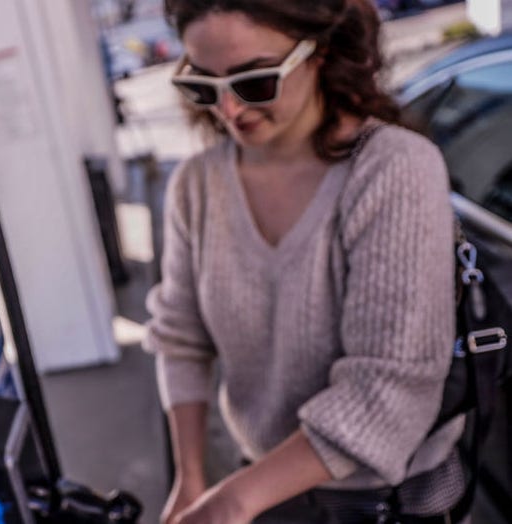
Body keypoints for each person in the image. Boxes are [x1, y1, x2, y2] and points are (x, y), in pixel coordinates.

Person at [142, 1, 466, 522]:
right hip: (264, 486)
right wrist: (192, 477)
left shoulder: (393, 170)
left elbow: (387, 392)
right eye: (203, 86)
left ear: (322, 53)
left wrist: (231, 500)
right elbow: (180, 337)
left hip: (387, 498)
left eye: (254, 82)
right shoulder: (197, 185)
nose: (227, 110)